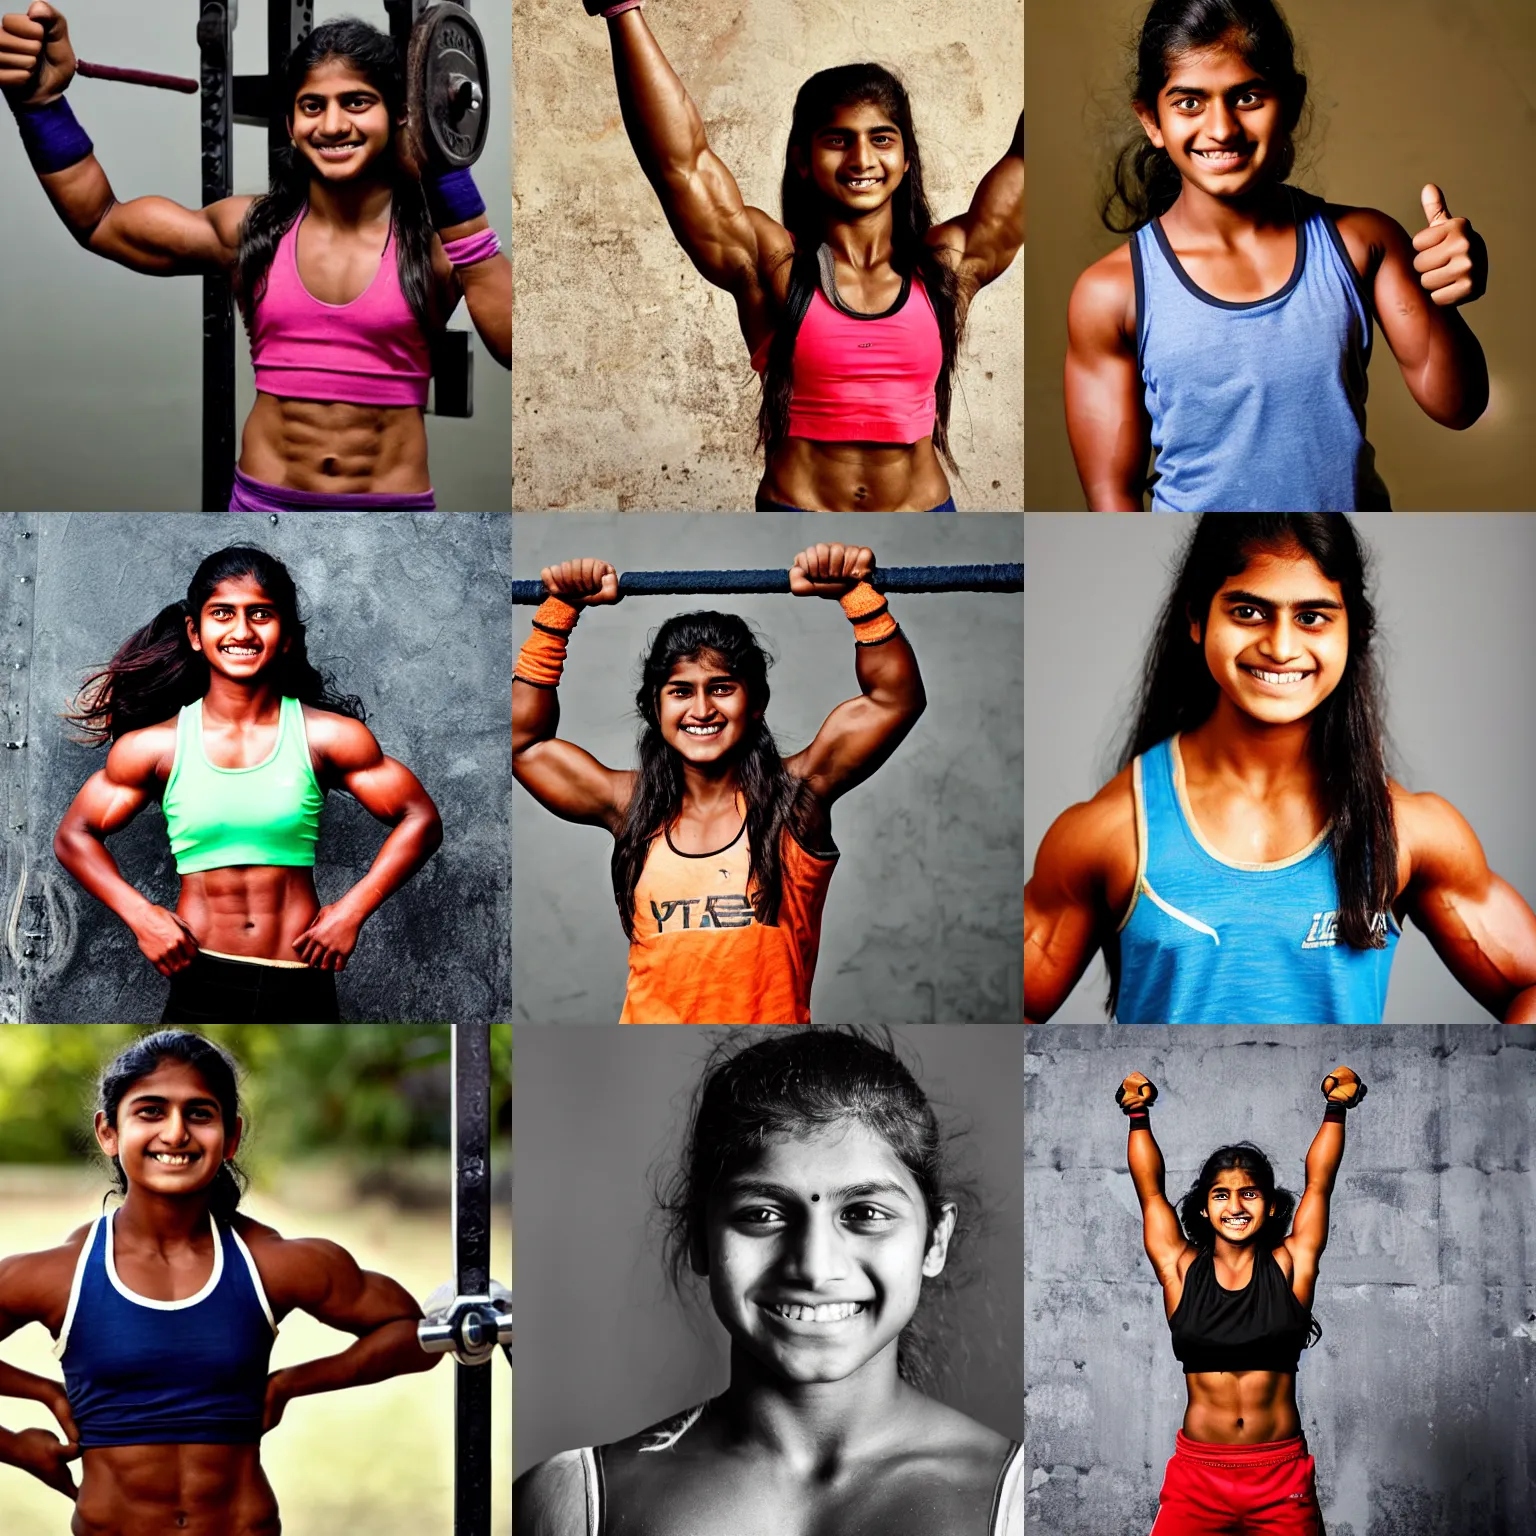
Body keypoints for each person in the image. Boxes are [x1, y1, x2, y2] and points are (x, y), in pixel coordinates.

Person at [1023, 513, 1536, 1023]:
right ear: (1198, 620)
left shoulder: (1409, 832)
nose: (1281, 648)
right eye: (1248, 611)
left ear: (1352, 630)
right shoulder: (1111, 832)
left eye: (1312, 617)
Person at [514, 1026, 1024, 1534]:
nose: (814, 1267)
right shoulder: (573, 1505)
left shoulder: (1036, 1500)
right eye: (762, 1215)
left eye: (866, 1212)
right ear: (699, 1238)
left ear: (935, 1240)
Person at [0, 5, 512, 510]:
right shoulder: (249, 230)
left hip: (392, 520)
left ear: (400, 112)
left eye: (357, 102)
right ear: (290, 123)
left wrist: (443, 168)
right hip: (265, 507)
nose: (332, 125)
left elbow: (515, 346)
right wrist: (41, 105)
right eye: (313, 106)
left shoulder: (438, 245)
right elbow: (102, 220)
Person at [587, 1, 1022, 512]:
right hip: (797, 522)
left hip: (924, 523)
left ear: (905, 160)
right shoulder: (772, 266)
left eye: (881, 140)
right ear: (802, 159)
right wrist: (621, 8)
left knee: (897, 597)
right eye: (838, 141)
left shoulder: (947, 267)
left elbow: (1032, 150)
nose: (862, 159)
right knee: (822, 594)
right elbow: (681, 165)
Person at [0, 1030, 443, 1532]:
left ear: (230, 1137)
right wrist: (29, 1419)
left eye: (199, 1114)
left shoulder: (272, 1262)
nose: (175, 1133)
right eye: (150, 1111)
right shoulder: (58, 1274)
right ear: (108, 1132)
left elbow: (415, 1335)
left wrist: (290, 1385)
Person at [1064, 0, 1488, 511]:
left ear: (1289, 103)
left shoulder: (1361, 242)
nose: (1220, 129)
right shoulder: (1112, 293)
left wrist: (1445, 292)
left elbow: (1458, 406)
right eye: (1189, 103)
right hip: (1204, 566)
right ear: (1152, 120)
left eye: (1246, 97)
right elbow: (1112, 497)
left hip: (1339, 552)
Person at [512, 542, 925, 1023]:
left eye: (721, 688)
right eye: (681, 691)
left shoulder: (796, 798)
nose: (702, 710)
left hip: (766, 1060)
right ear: (655, 708)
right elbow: (524, 743)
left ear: (756, 703)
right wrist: (559, 611)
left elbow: (894, 700)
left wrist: (857, 597)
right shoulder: (629, 804)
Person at [54, 546, 443, 1023]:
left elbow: (420, 818)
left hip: (303, 976)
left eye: (261, 614)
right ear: (196, 633)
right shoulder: (157, 748)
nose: (241, 631)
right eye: (222, 614)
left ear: (285, 637)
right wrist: (141, 915)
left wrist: (353, 910)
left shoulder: (326, 737)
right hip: (201, 974)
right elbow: (74, 836)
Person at [1119, 1064, 1365, 1535]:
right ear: (1206, 1207)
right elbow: (1149, 1192)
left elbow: (1319, 1184)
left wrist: (1336, 1106)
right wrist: (1136, 1112)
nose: (1235, 1207)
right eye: (1222, 1195)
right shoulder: (1180, 1268)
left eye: (1249, 1193)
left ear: (1270, 1205)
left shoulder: (1292, 1263)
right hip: (1198, 1477)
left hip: (1280, 1476)